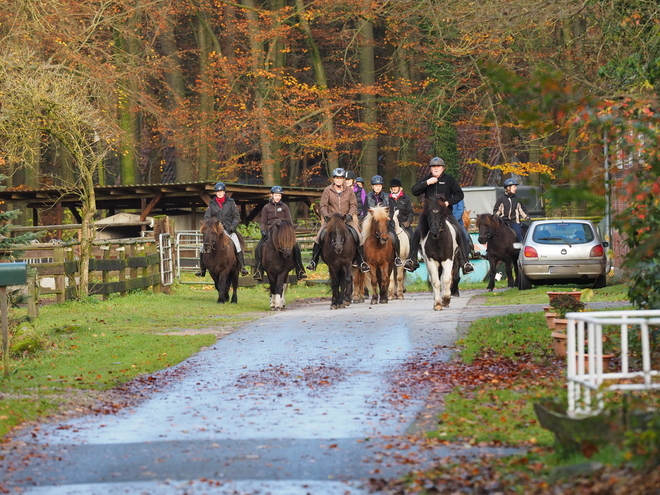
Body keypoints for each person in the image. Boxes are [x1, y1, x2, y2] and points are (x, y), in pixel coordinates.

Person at [403, 157, 474, 274]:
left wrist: (448, 202)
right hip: (429, 215)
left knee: (461, 231)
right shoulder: (427, 179)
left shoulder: (449, 179)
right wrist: (427, 183)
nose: (436, 168)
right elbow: (414, 191)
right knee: (416, 233)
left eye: (438, 166)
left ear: (443, 168)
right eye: (433, 167)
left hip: (446, 213)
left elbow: (459, 194)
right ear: (430, 169)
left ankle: (465, 262)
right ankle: (412, 259)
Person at [306, 168, 370, 273]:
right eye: (337, 178)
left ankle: (361, 262)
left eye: (341, 178)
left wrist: (349, 215)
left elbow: (354, 205)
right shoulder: (327, 190)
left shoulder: (349, 191)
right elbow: (323, 205)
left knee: (359, 236)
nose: (339, 180)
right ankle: (313, 261)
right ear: (334, 179)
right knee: (319, 237)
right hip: (331, 220)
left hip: (346, 219)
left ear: (343, 179)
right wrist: (326, 216)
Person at [252, 186, 307, 281]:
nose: (277, 197)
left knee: (296, 247)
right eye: (276, 195)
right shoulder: (266, 207)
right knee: (258, 247)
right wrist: (263, 230)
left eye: (279, 195)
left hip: (283, 232)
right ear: (272, 195)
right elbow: (263, 221)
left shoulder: (285, 207)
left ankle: (300, 269)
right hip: (271, 231)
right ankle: (258, 270)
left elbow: (289, 221)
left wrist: (289, 231)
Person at [197, 182, 249, 277]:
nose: (220, 193)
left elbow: (236, 217)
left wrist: (232, 227)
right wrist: (209, 225)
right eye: (218, 192)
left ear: (224, 192)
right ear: (216, 193)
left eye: (221, 191)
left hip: (229, 229)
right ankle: (202, 269)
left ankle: (242, 267)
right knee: (202, 247)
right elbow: (207, 217)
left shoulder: (231, 202)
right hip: (216, 231)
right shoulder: (212, 203)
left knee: (237, 245)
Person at [362, 175, 403, 266]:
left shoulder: (387, 196)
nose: (377, 187)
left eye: (379, 186)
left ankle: (397, 257)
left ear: (382, 186)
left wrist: (389, 217)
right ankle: (363, 261)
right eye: (376, 186)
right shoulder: (368, 197)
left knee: (395, 237)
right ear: (372, 186)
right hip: (372, 224)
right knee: (362, 239)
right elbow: (365, 211)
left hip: (385, 223)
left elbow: (391, 210)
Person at [493, 178, 529, 242]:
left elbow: (522, 209)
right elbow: (496, 210)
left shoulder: (518, 198)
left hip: (514, 222)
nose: (516, 188)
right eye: (514, 187)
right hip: (503, 222)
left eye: (516, 187)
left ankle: (521, 247)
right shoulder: (501, 198)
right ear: (508, 188)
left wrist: (526, 217)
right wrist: (497, 218)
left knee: (518, 235)